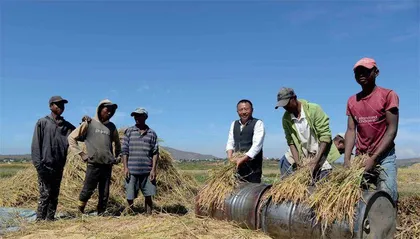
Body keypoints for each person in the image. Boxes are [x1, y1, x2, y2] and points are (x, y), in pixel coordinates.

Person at [344, 57, 399, 202]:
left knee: (387, 196)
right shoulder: (352, 101)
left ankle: (388, 223)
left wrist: (374, 158)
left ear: (376, 72)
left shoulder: (388, 95)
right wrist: (347, 159)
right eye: (358, 72)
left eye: (366, 71)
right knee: (358, 198)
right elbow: (350, 131)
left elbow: (392, 130)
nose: (361, 74)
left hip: (383, 156)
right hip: (361, 157)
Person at [68, 99, 121, 215]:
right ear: (100, 109)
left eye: (112, 111)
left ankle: (101, 213)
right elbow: (71, 138)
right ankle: (80, 211)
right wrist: (81, 154)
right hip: (93, 163)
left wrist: (118, 156)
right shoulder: (89, 123)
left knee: (104, 192)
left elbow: (117, 143)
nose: (109, 112)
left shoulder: (112, 127)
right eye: (107, 109)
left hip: (107, 165)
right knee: (88, 189)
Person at [275, 87, 340, 181]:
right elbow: (291, 142)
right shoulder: (286, 118)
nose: (285, 108)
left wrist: (315, 162)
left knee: (320, 182)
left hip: (319, 152)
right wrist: (298, 162)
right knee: (284, 162)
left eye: (286, 104)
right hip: (301, 152)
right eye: (283, 106)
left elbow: (325, 137)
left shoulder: (313, 110)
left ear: (294, 98)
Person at [31, 96, 76, 221]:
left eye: (62, 105)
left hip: (58, 166)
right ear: (51, 106)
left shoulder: (66, 126)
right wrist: (39, 166)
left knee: (54, 195)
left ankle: (50, 220)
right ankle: (40, 221)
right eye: (57, 104)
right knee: (44, 195)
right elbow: (35, 146)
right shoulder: (42, 122)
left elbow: (80, 135)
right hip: (45, 166)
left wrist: (86, 122)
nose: (60, 107)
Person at [121, 108, 159, 215]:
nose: (136, 118)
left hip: (147, 171)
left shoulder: (152, 133)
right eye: (135, 116)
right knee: (130, 195)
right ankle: (130, 214)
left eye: (139, 116)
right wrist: (125, 168)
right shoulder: (129, 131)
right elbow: (124, 150)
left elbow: (155, 152)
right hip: (132, 170)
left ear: (145, 117)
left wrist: (153, 170)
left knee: (148, 194)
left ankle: (148, 215)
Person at [226, 99, 265, 183]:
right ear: (237, 111)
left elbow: (257, 146)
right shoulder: (234, 124)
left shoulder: (258, 123)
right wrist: (230, 158)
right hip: (237, 167)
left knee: (252, 191)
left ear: (252, 110)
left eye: (246, 109)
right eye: (241, 110)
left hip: (253, 168)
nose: (243, 112)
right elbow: (230, 142)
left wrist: (243, 158)